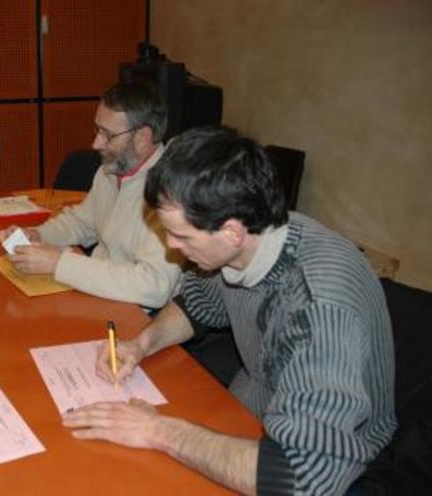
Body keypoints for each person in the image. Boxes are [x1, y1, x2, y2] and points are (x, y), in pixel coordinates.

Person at [62, 127, 396, 495]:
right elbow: (199, 304)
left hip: (330, 469)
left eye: (182, 236)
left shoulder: (320, 307)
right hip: (252, 411)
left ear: (232, 232)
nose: (171, 247)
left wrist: (158, 430)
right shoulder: (244, 241)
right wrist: (142, 344)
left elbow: (303, 476)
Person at [1, 81, 181, 309]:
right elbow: (82, 223)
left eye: (108, 135)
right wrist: (39, 235)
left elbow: (154, 287)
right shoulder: (111, 169)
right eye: (98, 130)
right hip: (98, 296)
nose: (96, 143)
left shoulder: (173, 190)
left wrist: (59, 264)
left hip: (138, 314)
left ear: (143, 137)